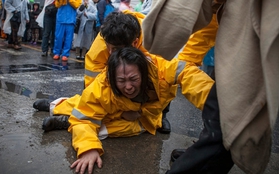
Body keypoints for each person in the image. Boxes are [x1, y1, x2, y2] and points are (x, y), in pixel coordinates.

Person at [142, 0, 279, 173]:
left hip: (255, 36)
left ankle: (203, 154)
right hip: (240, 35)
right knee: (220, 113)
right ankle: (203, 149)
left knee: (225, 115)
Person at [34, 45, 214, 173]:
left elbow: (189, 75)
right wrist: (88, 148)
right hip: (116, 108)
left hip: (142, 118)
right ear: (112, 78)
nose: (128, 86)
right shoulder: (103, 84)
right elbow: (85, 116)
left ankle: (62, 116)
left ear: (143, 72)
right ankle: (57, 106)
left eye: (133, 79)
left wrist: (219, 105)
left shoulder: (161, 69)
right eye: (121, 81)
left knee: (125, 127)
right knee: (88, 106)